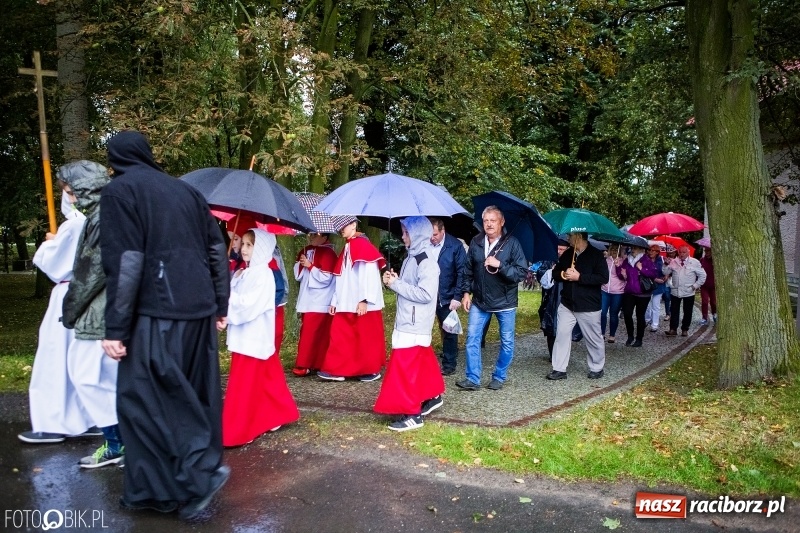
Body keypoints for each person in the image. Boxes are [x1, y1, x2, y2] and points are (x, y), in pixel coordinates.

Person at [100, 131, 231, 518]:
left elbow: (126, 261)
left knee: (149, 402)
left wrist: (116, 327)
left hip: (157, 314)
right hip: (199, 313)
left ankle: (199, 476)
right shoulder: (186, 192)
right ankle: (162, 492)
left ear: (116, 159)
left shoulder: (120, 192)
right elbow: (216, 249)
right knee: (194, 395)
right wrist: (220, 303)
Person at [18, 180, 101, 444]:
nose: (67, 196)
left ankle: (54, 422)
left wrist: (51, 244)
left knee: (55, 358)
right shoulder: (89, 220)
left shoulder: (76, 225)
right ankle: (86, 418)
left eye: (70, 191)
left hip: (69, 293)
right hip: (82, 294)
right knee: (76, 359)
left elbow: (54, 263)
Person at [58, 160, 124, 468]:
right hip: (109, 311)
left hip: (98, 314)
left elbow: (89, 273)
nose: (69, 198)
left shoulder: (101, 218)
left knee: (85, 376)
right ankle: (121, 441)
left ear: (84, 190)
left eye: (71, 192)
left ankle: (116, 443)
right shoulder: (109, 213)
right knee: (108, 380)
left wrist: (69, 310)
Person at [222, 228, 299, 447]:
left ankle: (239, 430)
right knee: (266, 381)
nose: (244, 249)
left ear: (262, 248)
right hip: (246, 338)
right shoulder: (247, 272)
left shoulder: (264, 274)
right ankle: (275, 414)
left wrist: (226, 297)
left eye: (249, 245)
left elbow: (247, 306)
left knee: (243, 387)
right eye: (243, 244)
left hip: (253, 338)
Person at [374, 217, 445, 431]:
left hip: (414, 324)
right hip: (409, 321)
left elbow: (425, 294)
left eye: (406, 232)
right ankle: (431, 395)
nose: (403, 236)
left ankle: (413, 414)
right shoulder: (412, 257)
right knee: (419, 363)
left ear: (417, 235)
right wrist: (395, 281)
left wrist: (396, 284)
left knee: (405, 369)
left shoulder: (426, 261)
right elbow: (409, 286)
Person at [457, 206, 527, 391]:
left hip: (505, 303)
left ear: (501, 222)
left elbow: (521, 273)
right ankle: (473, 379)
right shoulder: (476, 241)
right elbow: (468, 269)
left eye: (492, 220)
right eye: (486, 220)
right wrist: (466, 293)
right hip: (479, 301)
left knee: (507, 342)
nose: (488, 224)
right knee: (472, 339)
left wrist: (500, 265)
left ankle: (499, 376)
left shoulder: (512, 243)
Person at [318, 218, 387, 381]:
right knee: (342, 337)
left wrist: (365, 299)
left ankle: (370, 370)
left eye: (344, 225)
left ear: (354, 225)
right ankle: (337, 369)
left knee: (365, 338)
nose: (341, 229)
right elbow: (340, 277)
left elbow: (369, 275)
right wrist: (335, 300)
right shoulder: (348, 246)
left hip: (360, 303)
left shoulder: (363, 246)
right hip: (346, 301)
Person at [546, 232, 608, 380]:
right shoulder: (568, 254)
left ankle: (597, 367)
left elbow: (603, 278)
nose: (568, 238)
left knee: (593, 338)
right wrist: (564, 274)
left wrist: (579, 277)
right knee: (561, 335)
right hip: (567, 304)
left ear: (579, 237)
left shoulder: (596, 255)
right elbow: (555, 273)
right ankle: (559, 369)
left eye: (570, 235)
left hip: (588, 305)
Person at [292, 232, 338, 376]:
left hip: (320, 299)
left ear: (324, 237)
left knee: (313, 333)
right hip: (308, 298)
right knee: (307, 332)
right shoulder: (306, 250)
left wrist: (311, 266)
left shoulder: (329, 253)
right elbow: (298, 276)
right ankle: (311, 363)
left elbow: (326, 278)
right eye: (310, 234)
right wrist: (301, 264)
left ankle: (306, 364)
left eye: (315, 234)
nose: (311, 237)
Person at [428, 217, 468, 376]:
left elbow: (462, 273)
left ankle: (449, 364)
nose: (432, 238)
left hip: (448, 295)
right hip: (428, 295)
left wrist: (457, 296)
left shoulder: (455, 246)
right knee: (425, 329)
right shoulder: (424, 244)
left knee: (450, 330)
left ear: (442, 231)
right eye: (430, 234)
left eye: (435, 234)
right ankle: (425, 361)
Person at [616, 243, 660, 347]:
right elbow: (622, 276)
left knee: (640, 316)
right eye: (632, 248)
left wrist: (642, 269)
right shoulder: (627, 260)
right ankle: (630, 336)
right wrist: (619, 270)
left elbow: (653, 274)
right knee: (627, 314)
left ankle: (639, 339)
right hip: (629, 292)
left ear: (641, 249)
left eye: (635, 247)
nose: (633, 249)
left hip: (643, 293)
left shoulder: (646, 260)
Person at [536, 237, 570, 360]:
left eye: (563, 249)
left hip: (565, 298)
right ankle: (552, 354)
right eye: (558, 249)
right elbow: (540, 274)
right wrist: (552, 271)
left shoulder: (571, 261)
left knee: (564, 327)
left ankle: (561, 355)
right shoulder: (549, 259)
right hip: (550, 299)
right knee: (551, 327)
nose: (560, 252)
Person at [663, 245, 707, 337]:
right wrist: (666, 264)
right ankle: (673, 329)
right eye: (680, 252)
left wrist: (695, 286)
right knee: (674, 310)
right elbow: (665, 272)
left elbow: (703, 275)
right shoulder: (673, 261)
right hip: (675, 290)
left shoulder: (695, 262)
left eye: (684, 252)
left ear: (688, 253)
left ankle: (685, 329)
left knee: (688, 311)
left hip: (688, 291)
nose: (681, 254)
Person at [600, 243, 626, 343]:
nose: (615, 250)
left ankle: (612, 335)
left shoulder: (623, 261)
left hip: (618, 291)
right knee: (602, 313)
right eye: (613, 248)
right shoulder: (606, 260)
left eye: (616, 249)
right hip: (605, 290)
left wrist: (618, 267)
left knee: (613, 314)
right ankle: (601, 333)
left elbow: (624, 277)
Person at [644, 242, 670, 332]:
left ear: (657, 252)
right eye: (649, 250)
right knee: (647, 305)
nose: (650, 252)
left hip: (659, 286)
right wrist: (655, 279)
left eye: (653, 251)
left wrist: (666, 275)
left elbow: (666, 271)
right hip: (647, 285)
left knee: (656, 305)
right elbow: (644, 272)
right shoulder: (645, 260)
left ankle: (654, 325)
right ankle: (647, 320)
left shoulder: (662, 260)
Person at [699, 246, 717, 326]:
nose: (707, 253)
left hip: (713, 285)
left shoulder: (715, 260)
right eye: (705, 251)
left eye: (709, 251)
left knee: (713, 302)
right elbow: (699, 271)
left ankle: (714, 314)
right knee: (705, 301)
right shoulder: (702, 260)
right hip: (704, 285)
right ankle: (704, 317)